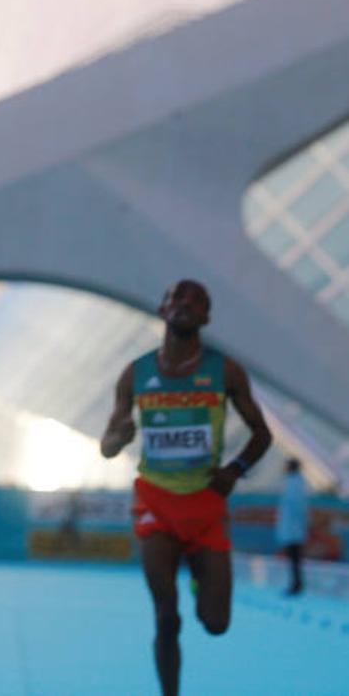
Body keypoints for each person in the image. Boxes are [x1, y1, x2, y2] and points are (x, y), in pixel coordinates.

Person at [100, 279, 272, 696]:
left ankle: (199, 573)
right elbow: (107, 446)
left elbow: (261, 435)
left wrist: (235, 470)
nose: (185, 304)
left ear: (206, 318)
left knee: (215, 624)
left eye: (196, 301)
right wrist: (118, 438)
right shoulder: (136, 373)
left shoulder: (224, 370)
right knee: (166, 616)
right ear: (162, 309)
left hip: (206, 504)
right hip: (155, 500)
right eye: (177, 297)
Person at [276, 458, 309, 596]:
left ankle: (297, 585)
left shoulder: (294, 483)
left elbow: (296, 507)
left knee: (295, 558)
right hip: (293, 528)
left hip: (293, 528)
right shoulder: (293, 482)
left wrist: (295, 525)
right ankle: (295, 584)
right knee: (293, 558)